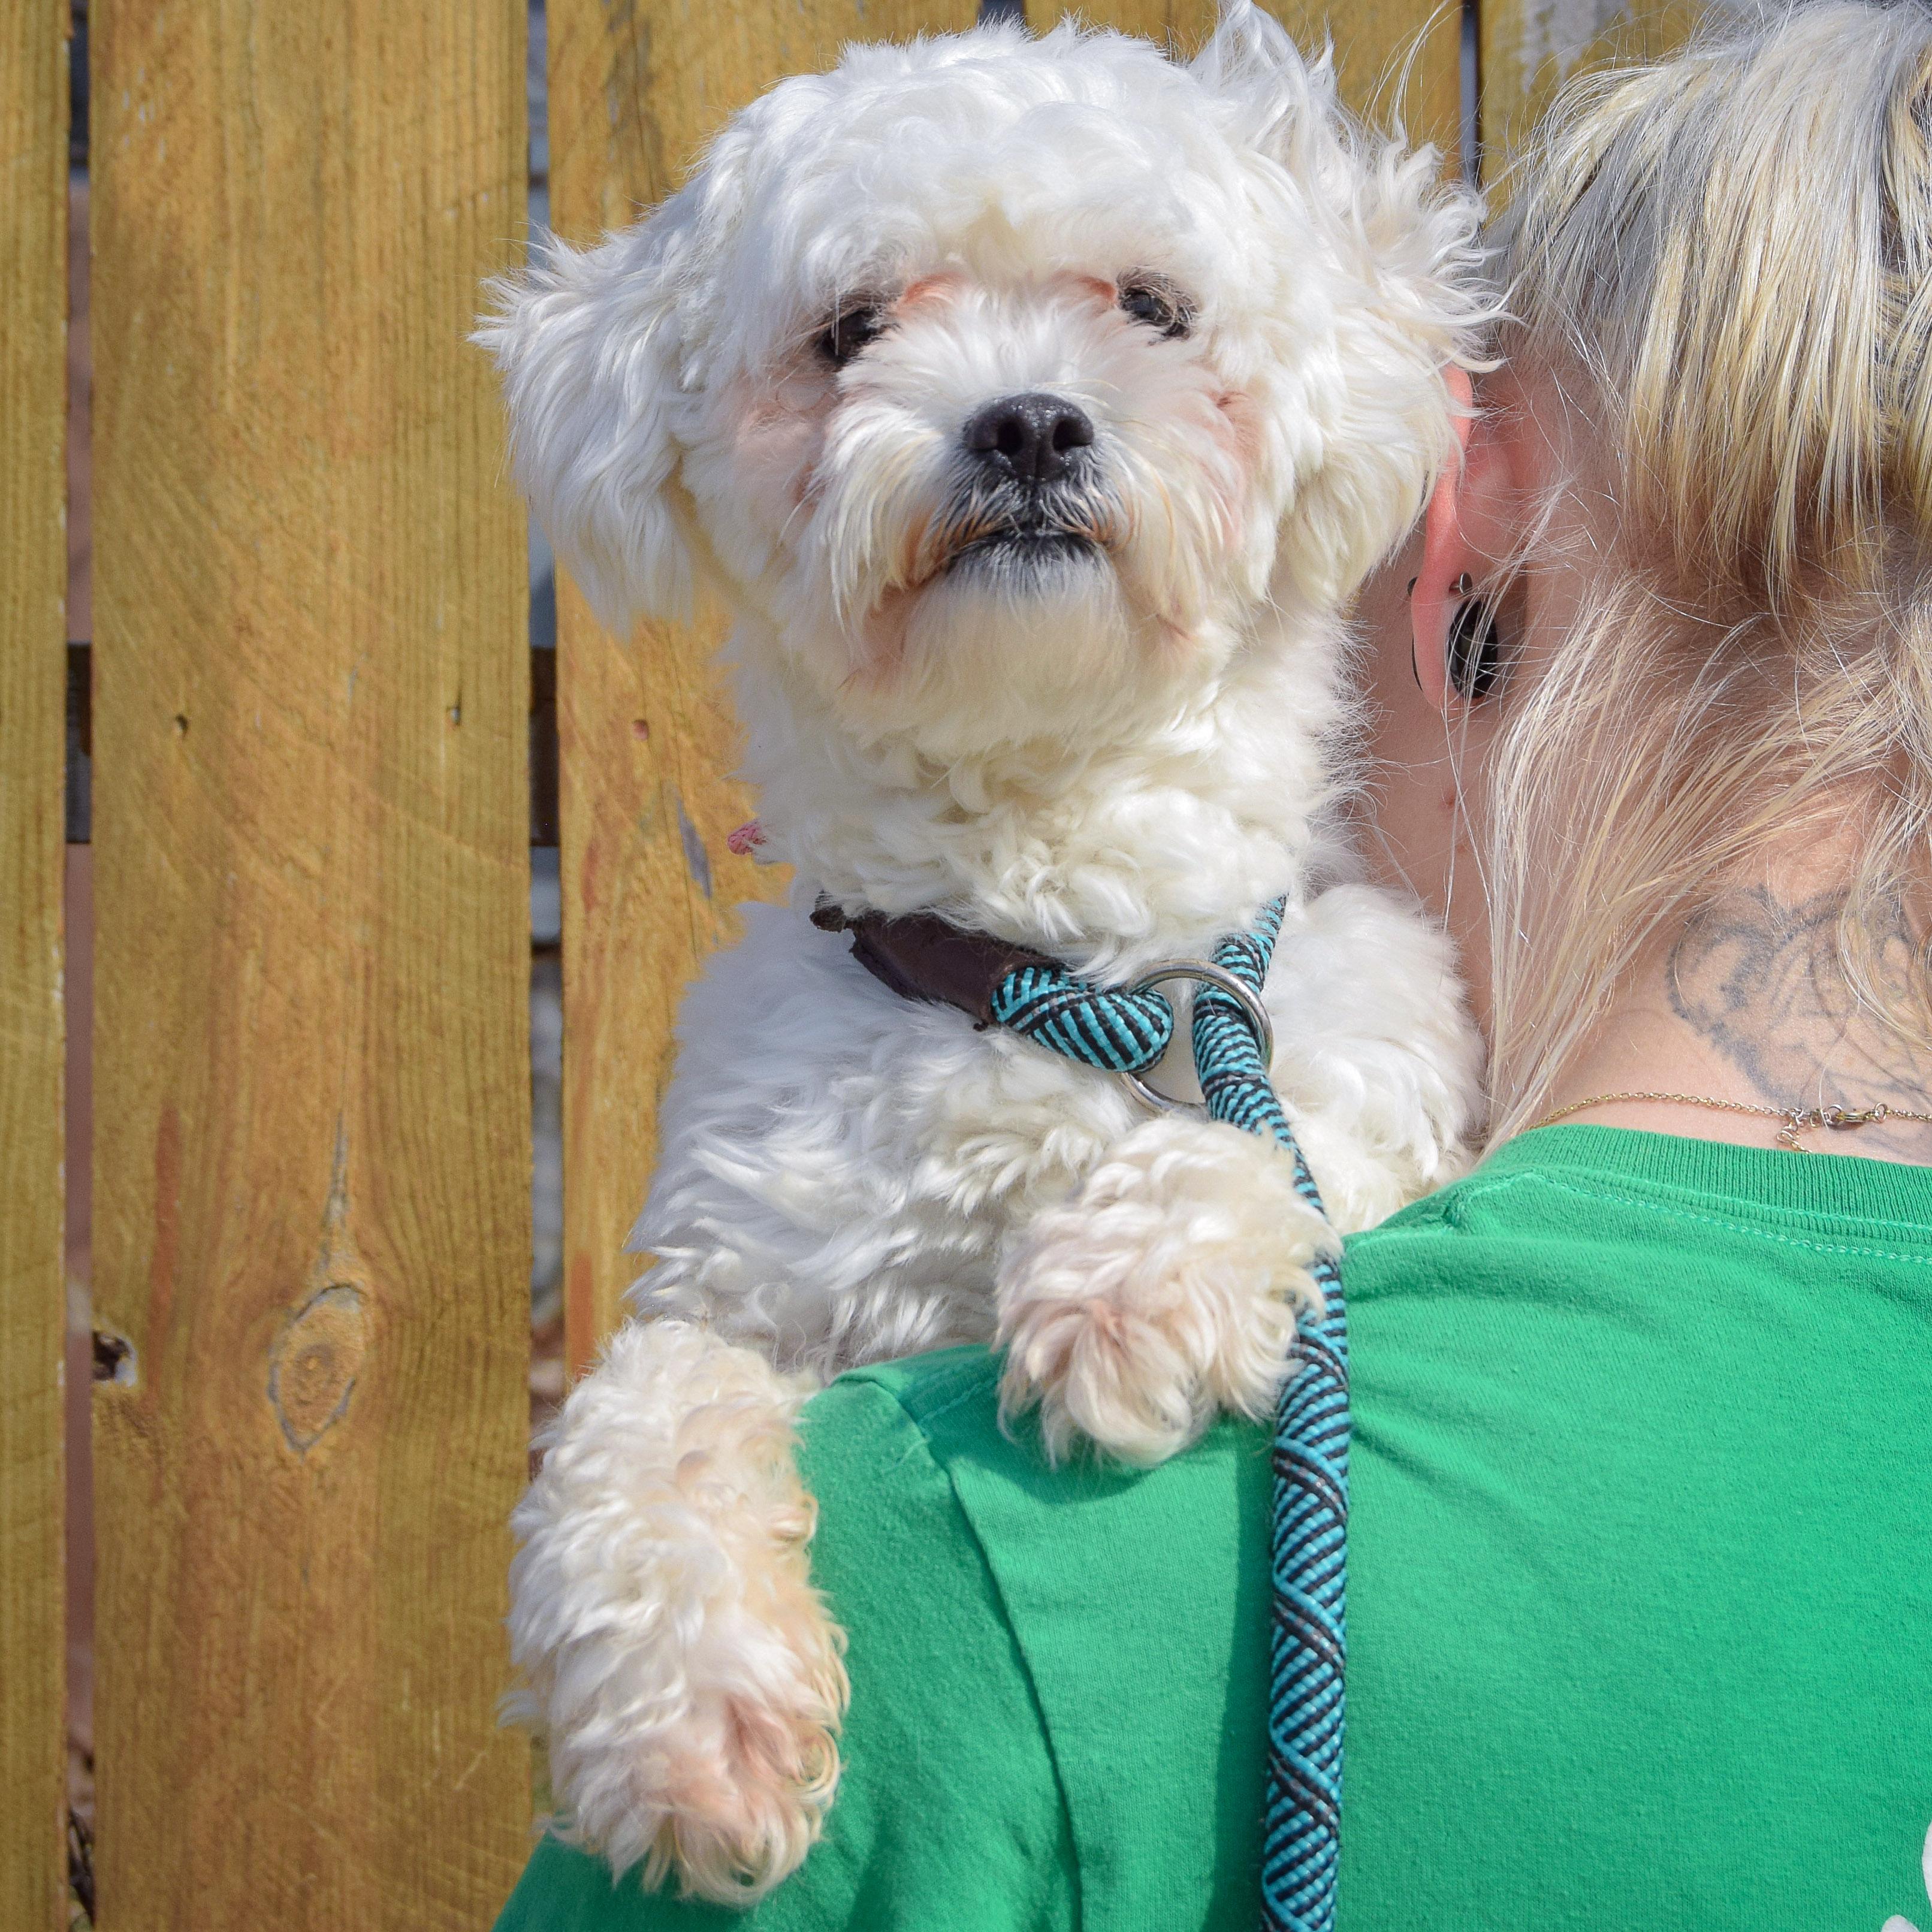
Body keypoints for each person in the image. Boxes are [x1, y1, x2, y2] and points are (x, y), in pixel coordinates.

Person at [496, 4, 1932, 1925]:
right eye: (857, 336)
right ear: (674, 426)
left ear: (1364, 447)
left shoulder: (1358, 1022)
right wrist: (654, 1492)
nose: (1018, 403)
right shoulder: (775, 1076)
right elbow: (717, 1357)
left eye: (1149, 314)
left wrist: (1233, 1191)